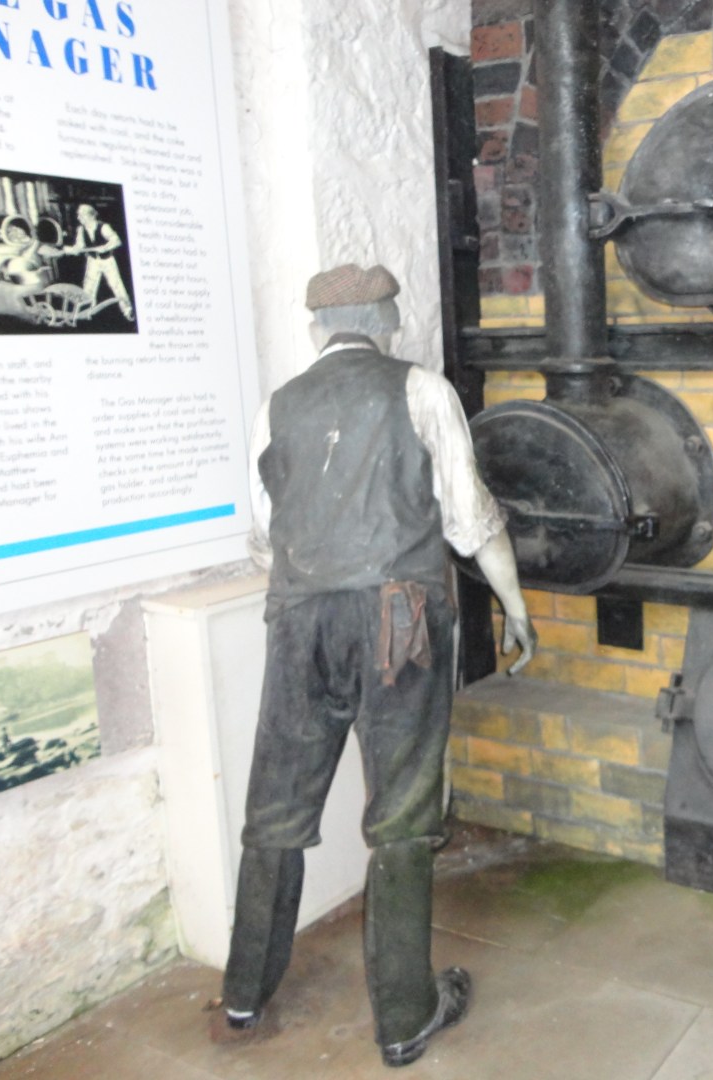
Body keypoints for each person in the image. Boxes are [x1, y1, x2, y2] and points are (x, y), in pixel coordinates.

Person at [213, 263, 536, 1067]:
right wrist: (515, 603)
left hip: (299, 621)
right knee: (402, 815)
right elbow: (470, 520)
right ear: (387, 321)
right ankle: (403, 1014)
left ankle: (245, 993)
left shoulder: (276, 407)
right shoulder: (422, 391)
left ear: (319, 328)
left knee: (275, 807)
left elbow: (265, 536)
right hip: (401, 623)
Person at [69, 203, 135, 321]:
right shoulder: (81, 229)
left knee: (116, 285)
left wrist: (105, 247)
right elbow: (80, 245)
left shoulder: (104, 227)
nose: (78, 218)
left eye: (81, 215)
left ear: (91, 216)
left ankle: (128, 310)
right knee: (88, 286)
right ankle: (87, 310)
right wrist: (74, 250)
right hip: (92, 261)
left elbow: (117, 241)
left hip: (107, 260)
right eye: (78, 215)